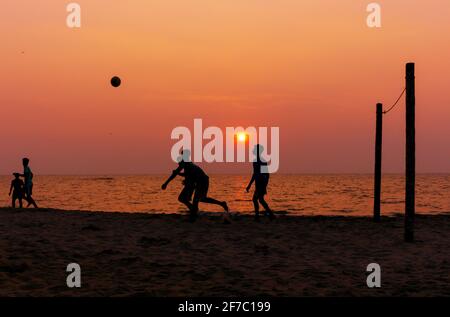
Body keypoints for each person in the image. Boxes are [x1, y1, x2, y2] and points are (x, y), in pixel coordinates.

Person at [162, 150, 230, 222]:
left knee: (199, 199)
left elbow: (178, 174)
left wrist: (166, 182)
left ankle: (194, 214)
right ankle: (194, 213)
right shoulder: (187, 164)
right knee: (198, 199)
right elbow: (188, 174)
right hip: (200, 181)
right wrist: (177, 176)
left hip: (202, 180)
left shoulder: (186, 163)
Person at [246, 144, 274, 221]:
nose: (253, 151)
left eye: (254, 149)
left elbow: (264, 174)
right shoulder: (259, 161)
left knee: (256, 199)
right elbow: (258, 174)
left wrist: (264, 184)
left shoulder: (260, 161)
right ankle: (269, 214)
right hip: (259, 184)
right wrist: (250, 185)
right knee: (260, 200)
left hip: (260, 184)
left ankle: (258, 216)